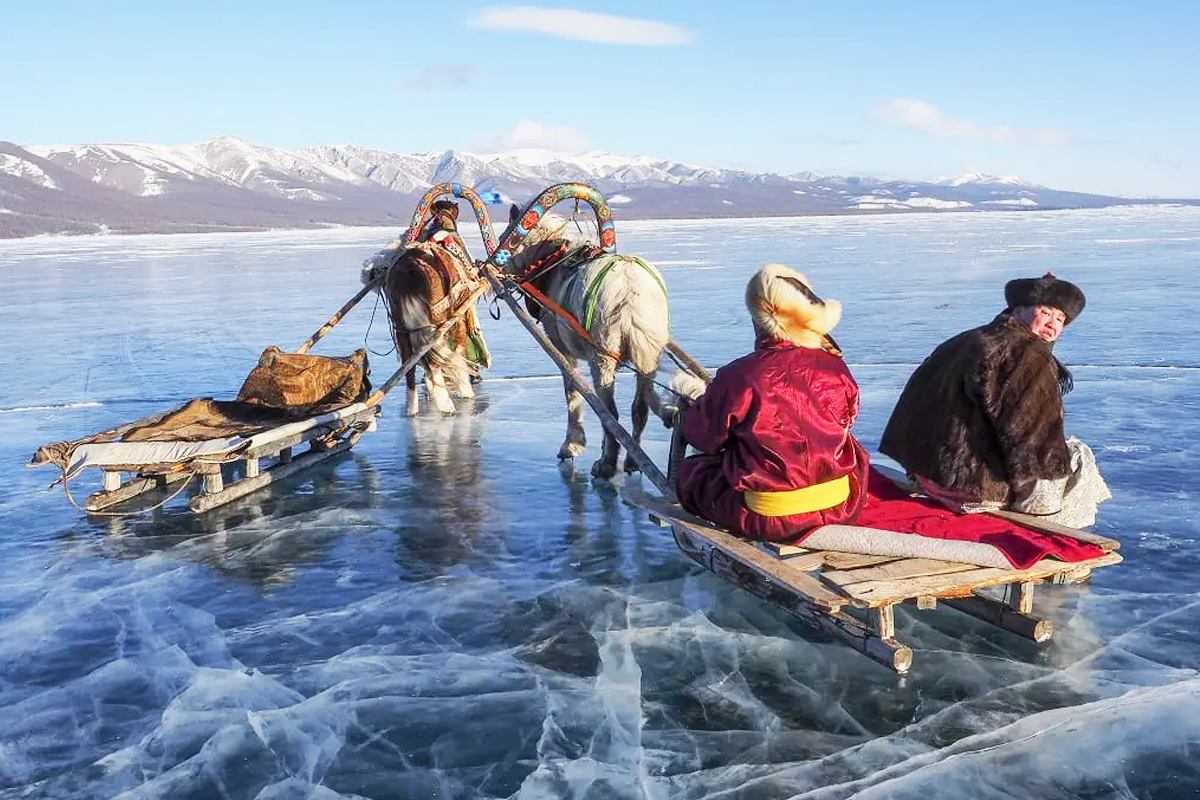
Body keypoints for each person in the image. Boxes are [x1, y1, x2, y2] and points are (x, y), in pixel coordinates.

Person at [879, 272, 1110, 527]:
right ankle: (1051, 531)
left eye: (1061, 318)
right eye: (1045, 312)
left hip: (928, 475)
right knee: (1077, 458)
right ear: (1019, 309)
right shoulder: (1026, 355)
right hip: (972, 489)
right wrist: (1039, 509)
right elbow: (1030, 437)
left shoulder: (970, 339)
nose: (1053, 325)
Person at [671, 264, 870, 542]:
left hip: (770, 519)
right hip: (842, 507)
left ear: (758, 319)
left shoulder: (739, 376)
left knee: (693, 474)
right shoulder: (836, 368)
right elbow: (848, 419)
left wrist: (694, 409)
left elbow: (704, 438)